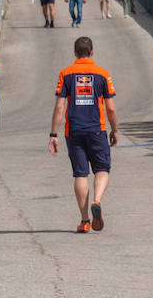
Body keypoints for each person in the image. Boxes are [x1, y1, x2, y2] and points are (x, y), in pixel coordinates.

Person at [49, 36, 118, 234]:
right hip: (97, 129)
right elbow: (111, 108)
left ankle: (85, 220)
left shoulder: (66, 74)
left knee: (80, 174)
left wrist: (53, 134)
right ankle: (97, 200)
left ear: (75, 53)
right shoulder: (102, 74)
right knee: (102, 169)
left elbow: (60, 106)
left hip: (74, 131)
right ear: (92, 52)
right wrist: (114, 130)